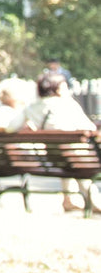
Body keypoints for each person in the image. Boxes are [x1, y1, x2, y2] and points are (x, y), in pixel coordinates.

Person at [24, 70, 96, 212]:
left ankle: (69, 199)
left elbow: (13, 127)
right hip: (80, 157)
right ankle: (93, 201)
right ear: (57, 88)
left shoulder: (32, 108)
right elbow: (90, 128)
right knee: (75, 156)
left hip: (53, 157)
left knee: (66, 156)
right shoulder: (67, 104)